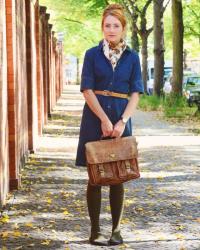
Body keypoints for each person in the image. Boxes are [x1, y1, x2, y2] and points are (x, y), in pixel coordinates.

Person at [75, 4, 144, 246]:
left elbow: (136, 92)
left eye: (116, 25)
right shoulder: (92, 54)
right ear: (102, 28)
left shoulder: (133, 57)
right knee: (94, 176)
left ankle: (116, 230)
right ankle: (95, 231)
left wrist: (122, 121)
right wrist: (104, 119)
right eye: (107, 25)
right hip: (95, 119)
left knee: (118, 176)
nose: (111, 29)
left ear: (123, 28)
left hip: (121, 119)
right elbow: (87, 89)